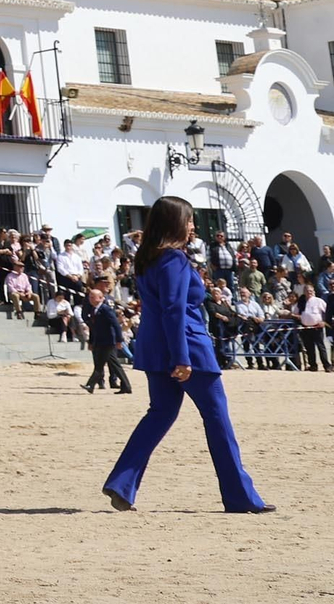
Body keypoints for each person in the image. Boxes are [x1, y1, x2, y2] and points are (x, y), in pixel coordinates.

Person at [103, 195, 272, 514]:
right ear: (175, 223)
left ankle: (122, 482)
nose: (194, 226)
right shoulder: (174, 260)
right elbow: (174, 310)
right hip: (188, 348)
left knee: (160, 415)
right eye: (190, 220)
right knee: (217, 418)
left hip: (155, 348)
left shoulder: (146, 260)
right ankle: (240, 496)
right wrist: (182, 357)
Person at [82, 287, 132, 394]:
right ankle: (126, 386)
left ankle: (90, 385)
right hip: (100, 341)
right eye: (89, 297)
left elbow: (115, 325)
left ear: (100, 298)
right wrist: (91, 341)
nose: (90, 299)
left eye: (92, 297)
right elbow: (93, 327)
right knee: (114, 365)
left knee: (100, 365)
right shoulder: (94, 310)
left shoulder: (105, 309)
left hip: (108, 341)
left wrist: (119, 340)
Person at [293, 283, 330, 372]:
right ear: (304, 292)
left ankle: (327, 366)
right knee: (309, 348)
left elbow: (327, 312)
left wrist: (324, 322)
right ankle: (313, 365)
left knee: (321, 347)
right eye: (307, 291)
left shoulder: (319, 301)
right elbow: (295, 312)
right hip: (305, 328)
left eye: (310, 291)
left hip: (317, 327)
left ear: (313, 291)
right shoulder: (301, 302)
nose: (309, 292)